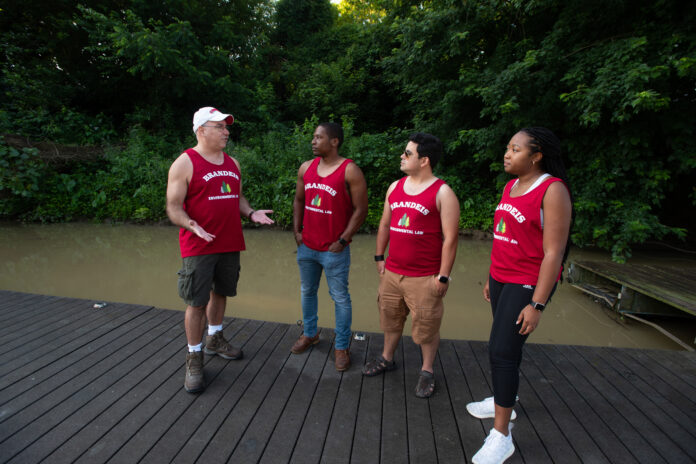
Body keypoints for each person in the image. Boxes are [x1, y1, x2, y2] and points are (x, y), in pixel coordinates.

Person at [467, 127, 572, 464]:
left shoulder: (552, 190)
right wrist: (489, 276)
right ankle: (503, 398)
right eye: (507, 148)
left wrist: (537, 304)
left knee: (501, 351)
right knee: (507, 349)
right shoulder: (511, 185)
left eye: (515, 149)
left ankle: (502, 435)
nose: (507, 154)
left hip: (527, 282)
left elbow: (554, 253)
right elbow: (503, 235)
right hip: (501, 278)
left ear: (536, 155)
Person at [166, 106, 274, 393]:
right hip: (198, 244)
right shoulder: (184, 163)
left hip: (229, 242)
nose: (227, 131)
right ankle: (194, 355)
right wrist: (190, 224)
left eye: (227, 127)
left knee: (222, 292)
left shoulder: (232, 163)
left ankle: (215, 337)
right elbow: (173, 207)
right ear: (201, 130)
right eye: (220, 127)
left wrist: (251, 213)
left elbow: (237, 196)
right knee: (196, 302)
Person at [362, 132, 460, 398]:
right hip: (392, 272)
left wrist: (443, 277)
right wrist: (379, 257)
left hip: (425, 277)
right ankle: (387, 358)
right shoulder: (395, 187)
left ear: (424, 160)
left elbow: (450, 239)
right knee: (390, 319)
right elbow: (384, 224)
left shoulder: (443, 192)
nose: (402, 157)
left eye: (407, 153)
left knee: (426, 327)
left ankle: (427, 370)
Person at [291, 122, 368, 371]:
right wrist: (297, 231)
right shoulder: (306, 167)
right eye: (313, 137)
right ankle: (310, 334)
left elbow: (361, 210)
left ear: (334, 141)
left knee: (340, 299)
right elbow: (299, 200)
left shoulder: (350, 170)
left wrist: (343, 239)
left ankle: (342, 346)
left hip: (334, 249)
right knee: (307, 292)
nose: (313, 141)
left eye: (318, 137)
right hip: (307, 247)